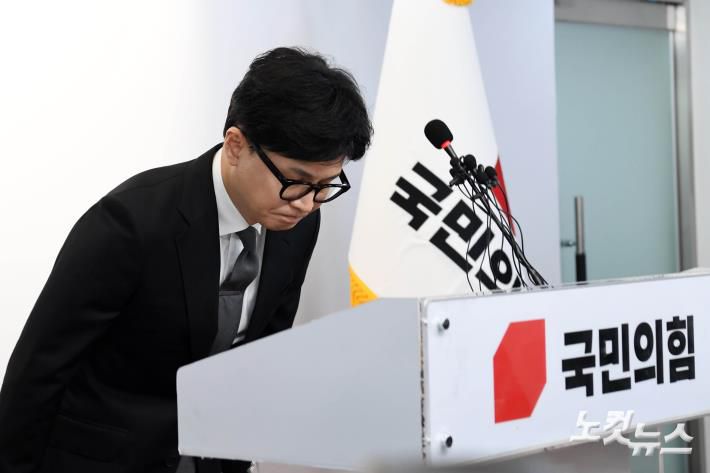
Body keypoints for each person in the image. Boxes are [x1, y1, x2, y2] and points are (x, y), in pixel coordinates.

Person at [0, 47, 372, 473]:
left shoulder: (298, 223)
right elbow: (39, 372)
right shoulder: (131, 223)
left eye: (326, 185)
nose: (307, 203)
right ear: (236, 145)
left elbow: (260, 358)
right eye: (296, 181)